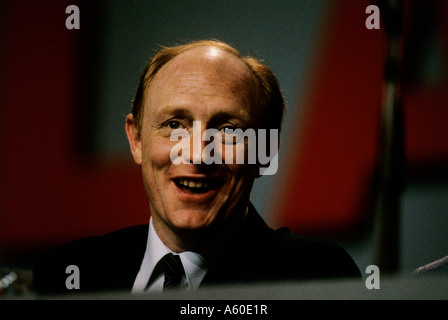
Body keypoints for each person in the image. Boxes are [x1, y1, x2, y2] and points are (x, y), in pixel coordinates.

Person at [32, 40, 361, 295]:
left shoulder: (314, 277)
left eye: (228, 130)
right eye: (175, 124)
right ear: (136, 140)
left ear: (265, 153)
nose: (198, 154)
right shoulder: (66, 272)